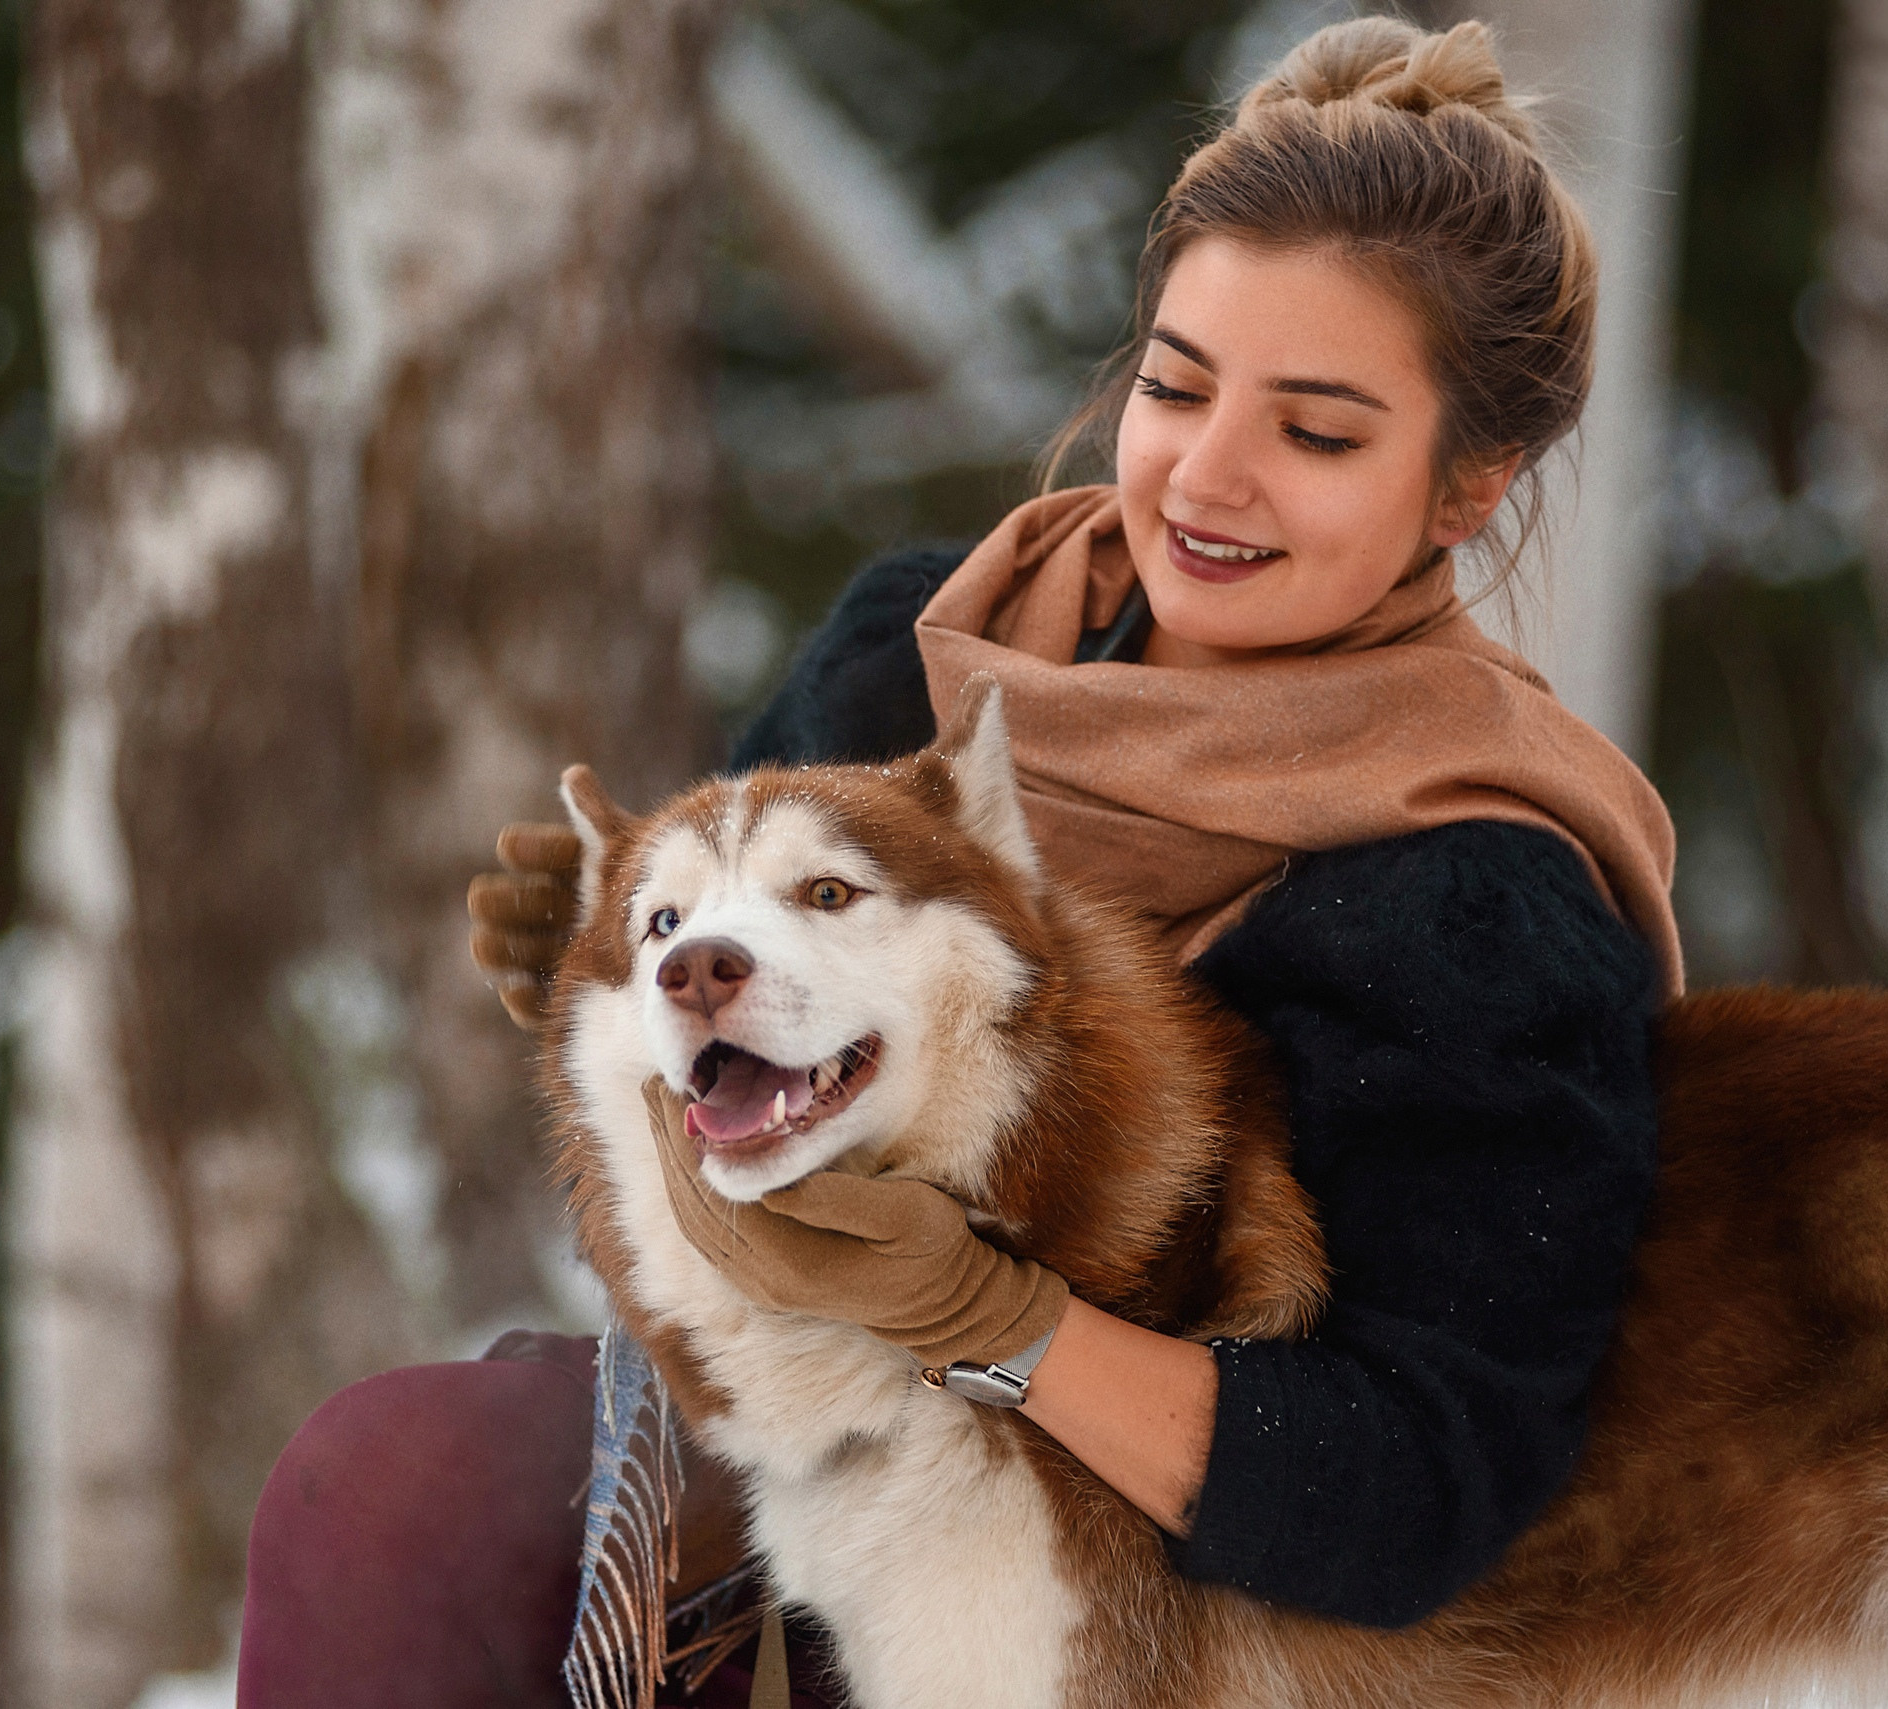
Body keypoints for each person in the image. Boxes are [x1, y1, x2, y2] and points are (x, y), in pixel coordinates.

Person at [236, 17, 1680, 1706]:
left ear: (1469, 487)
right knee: (393, 1487)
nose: (1207, 475)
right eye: (1177, 381)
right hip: (774, 1436)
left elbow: (1426, 1487)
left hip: (1136, 1596)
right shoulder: (912, 656)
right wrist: (628, 979)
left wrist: (999, 1325)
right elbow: (698, 1167)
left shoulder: (1480, 899)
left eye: (1319, 430)